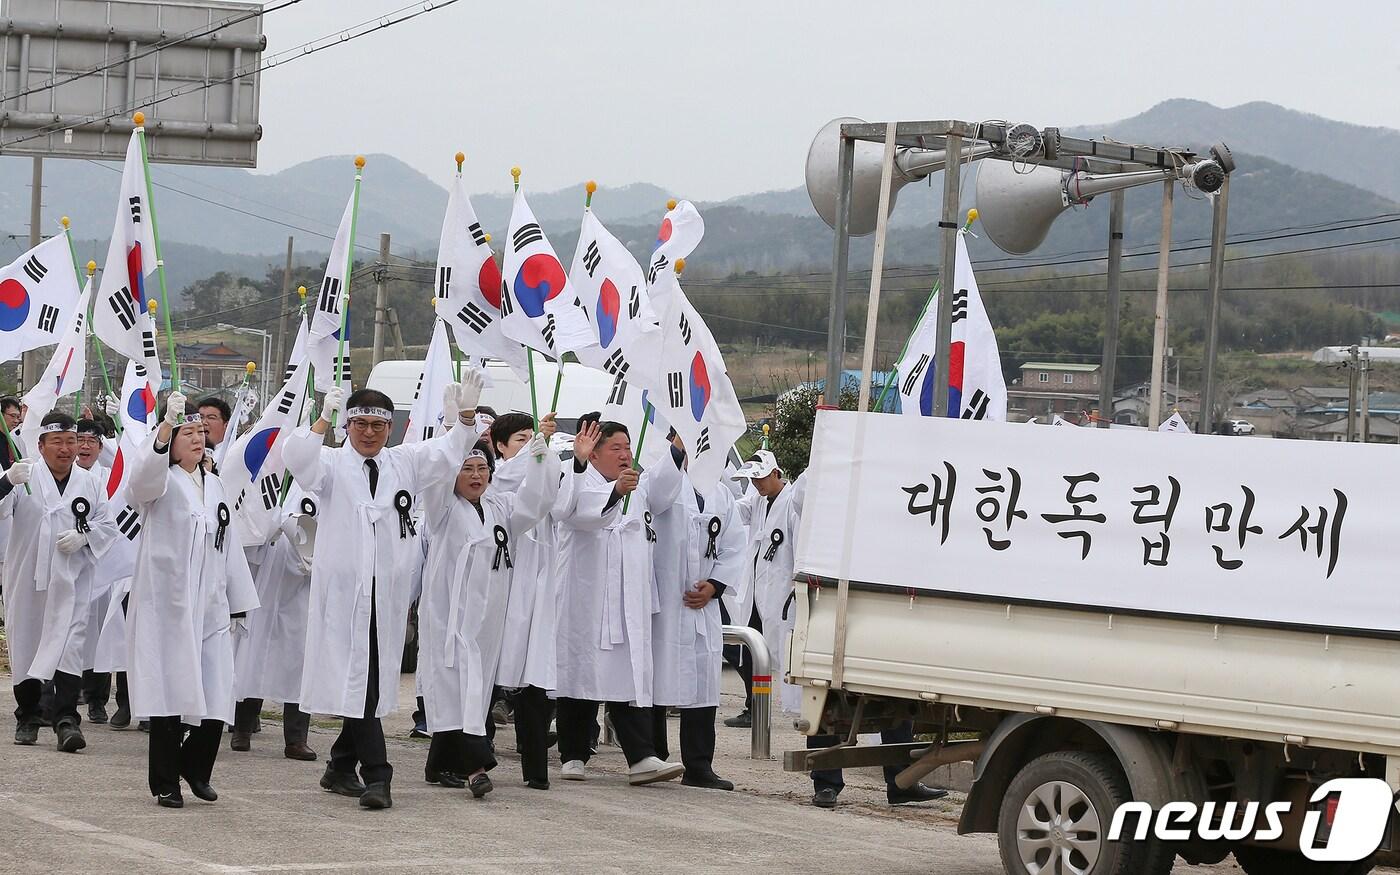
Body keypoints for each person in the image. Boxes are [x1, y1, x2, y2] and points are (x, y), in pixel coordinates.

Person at [283, 373, 485, 811]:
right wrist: (322, 419)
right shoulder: (332, 465)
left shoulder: (404, 463)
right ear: (348, 426)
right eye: (360, 425)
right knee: (363, 687)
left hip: (387, 598)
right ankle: (378, 775)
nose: (369, 433)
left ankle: (339, 767)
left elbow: (449, 450)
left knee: (367, 684)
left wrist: (466, 417)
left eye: (378, 425)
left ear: (390, 427)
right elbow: (296, 458)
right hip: (344, 597)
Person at [125, 393, 259, 808]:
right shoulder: (161, 484)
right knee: (168, 692)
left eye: (202, 431)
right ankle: (166, 780)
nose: (198, 438)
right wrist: (164, 429)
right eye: (189, 432)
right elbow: (141, 481)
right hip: (169, 606)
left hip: (212, 605)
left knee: (218, 690)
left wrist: (238, 598)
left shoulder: (215, 484)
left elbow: (228, 542)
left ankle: (196, 767)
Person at [419, 429, 557, 798]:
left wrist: (540, 460)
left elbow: (536, 502)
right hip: (450, 617)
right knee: (456, 689)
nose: (477, 475)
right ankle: (476, 767)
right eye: (467, 468)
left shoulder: (500, 507)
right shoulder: (442, 508)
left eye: (482, 468)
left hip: (487, 620)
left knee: (472, 693)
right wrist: (458, 426)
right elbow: (435, 478)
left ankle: (439, 764)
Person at [553, 420, 686, 785]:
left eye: (628, 447)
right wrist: (614, 491)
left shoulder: (636, 486)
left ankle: (641, 756)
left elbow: (660, 489)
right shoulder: (576, 478)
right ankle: (574, 753)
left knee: (628, 676)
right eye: (616, 448)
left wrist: (677, 445)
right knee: (581, 671)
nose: (626, 454)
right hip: (588, 599)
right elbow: (577, 514)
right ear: (593, 453)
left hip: (629, 601)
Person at [2, 411, 118, 751]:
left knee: (70, 647)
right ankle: (27, 716)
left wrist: (85, 537)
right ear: (41, 446)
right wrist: (6, 481)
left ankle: (67, 721)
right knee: (26, 644)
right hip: (27, 581)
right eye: (57, 442)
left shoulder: (92, 483)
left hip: (72, 580)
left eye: (72, 441)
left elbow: (108, 525)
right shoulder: (24, 476)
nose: (66, 449)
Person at [650, 431, 746, 790]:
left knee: (704, 685)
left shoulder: (721, 494)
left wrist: (715, 585)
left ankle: (699, 764)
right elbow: (656, 496)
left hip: (702, 604)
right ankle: (654, 757)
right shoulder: (662, 481)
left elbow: (735, 545)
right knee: (660, 680)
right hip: (667, 600)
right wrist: (679, 445)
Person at [489, 411, 566, 790]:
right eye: (520, 439)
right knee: (488, 676)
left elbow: (556, 497)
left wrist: (547, 455)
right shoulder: (496, 479)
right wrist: (534, 455)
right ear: (500, 446)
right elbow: (516, 485)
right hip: (504, 582)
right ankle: (468, 754)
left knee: (535, 678)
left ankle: (536, 768)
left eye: (530, 437)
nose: (528, 444)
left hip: (540, 585)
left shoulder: (543, 467)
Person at [229, 490, 318, 761]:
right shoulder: (272, 476)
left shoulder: (322, 479)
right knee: (253, 654)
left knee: (299, 659)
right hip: (266, 575)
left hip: (303, 583)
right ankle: (242, 727)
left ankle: (296, 738)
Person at [725, 450, 805, 728]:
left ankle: (796, 708)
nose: (757, 485)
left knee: (785, 653)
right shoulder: (757, 501)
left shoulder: (792, 502)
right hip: (756, 591)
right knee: (751, 651)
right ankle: (753, 707)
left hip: (781, 592)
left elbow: (799, 547)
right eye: (753, 480)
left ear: (776, 474)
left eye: (760, 478)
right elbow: (735, 511)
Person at [74, 418, 116, 725]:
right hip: (71, 565)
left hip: (103, 565)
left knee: (100, 633)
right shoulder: (65, 476)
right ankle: (67, 696)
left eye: (92, 441)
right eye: (81, 440)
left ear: (101, 448)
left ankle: (98, 700)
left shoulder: (108, 478)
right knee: (71, 632)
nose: (85, 445)